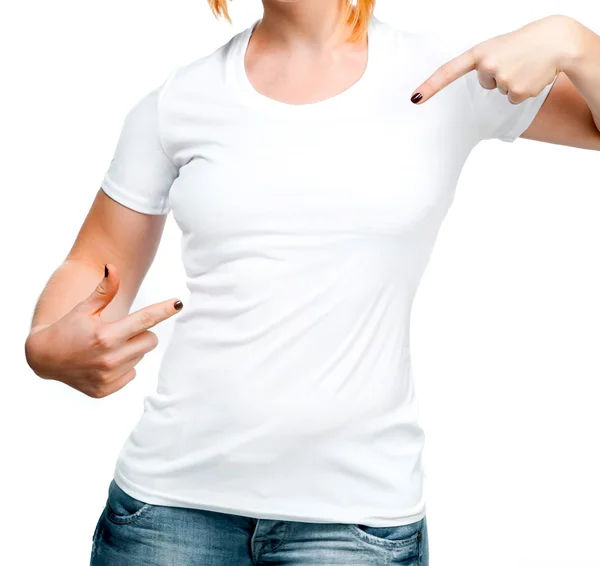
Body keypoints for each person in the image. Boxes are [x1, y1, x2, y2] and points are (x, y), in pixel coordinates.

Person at [24, 0, 600, 564]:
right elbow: (95, 259)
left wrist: (574, 40)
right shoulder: (179, 100)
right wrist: (47, 341)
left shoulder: (448, 72)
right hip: (165, 514)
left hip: (355, 524)